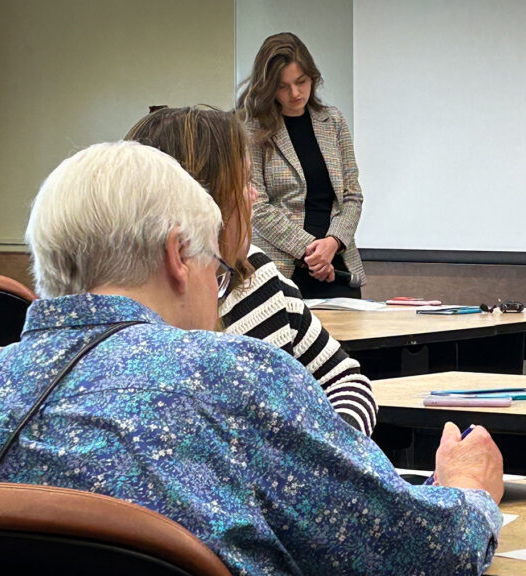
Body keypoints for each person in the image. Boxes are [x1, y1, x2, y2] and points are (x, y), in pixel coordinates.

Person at [0, 141, 504, 574]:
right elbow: (423, 554)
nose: (216, 290)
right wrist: (467, 490)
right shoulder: (235, 373)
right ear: (178, 254)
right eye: (217, 271)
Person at [126, 106, 377, 435]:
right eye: (243, 182)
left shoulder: (257, 272)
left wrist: (328, 450)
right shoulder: (142, 319)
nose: (253, 195)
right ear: (205, 200)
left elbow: (345, 381)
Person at [239, 32, 365, 298]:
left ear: (313, 78)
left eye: (301, 82)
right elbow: (256, 206)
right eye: (283, 86)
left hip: (337, 265)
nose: (295, 93)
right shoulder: (251, 129)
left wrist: (332, 245)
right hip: (282, 269)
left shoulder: (333, 121)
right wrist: (312, 251)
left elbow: (352, 196)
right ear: (268, 86)